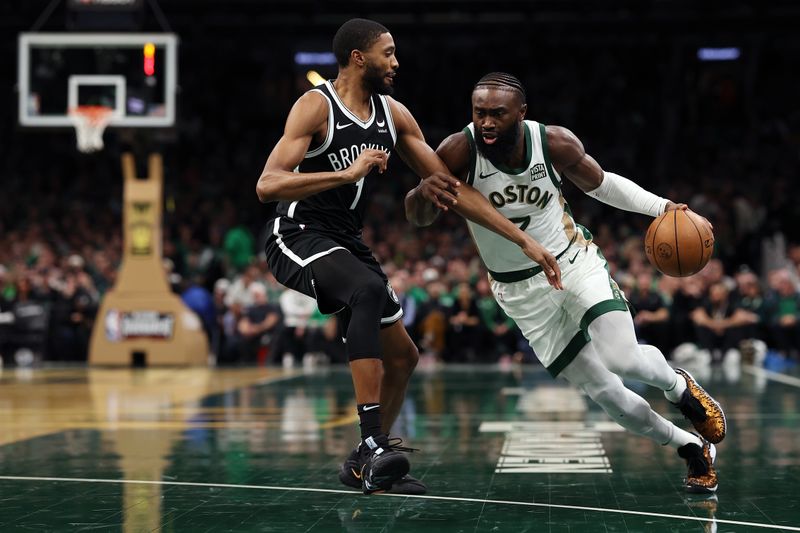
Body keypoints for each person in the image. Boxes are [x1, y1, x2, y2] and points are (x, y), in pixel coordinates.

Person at [256, 21, 559, 494]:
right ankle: (374, 442)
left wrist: (524, 240)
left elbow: (452, 190)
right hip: (295, 230)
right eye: (388, 54)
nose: (396, 63)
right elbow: (267, 183)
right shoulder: (315, 106)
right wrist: (346, 174)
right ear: (359, 57)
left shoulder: (393, 115)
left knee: (404, 356)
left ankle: (363, 465)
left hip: (345, 238)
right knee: (367, 290)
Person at [405, 72, 727, 493]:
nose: (486, 122)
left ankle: (678, 386)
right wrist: (421, 194)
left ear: (522, 113)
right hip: (518, 291)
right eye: (479, 112)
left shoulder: (552, 142)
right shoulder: (457, 150)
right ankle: (689, 447)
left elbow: (601, 184)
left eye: (497, 114)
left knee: (622, 357)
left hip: (573, 261)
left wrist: (661, 207)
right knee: (608, 395)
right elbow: (419, 216)